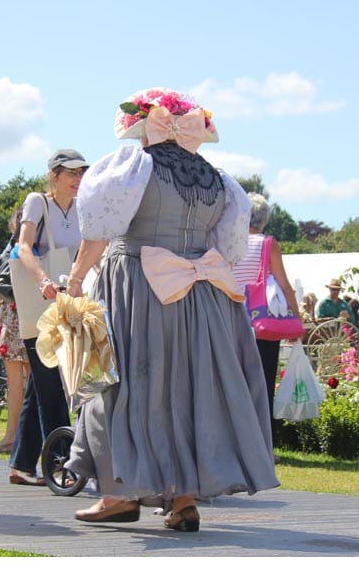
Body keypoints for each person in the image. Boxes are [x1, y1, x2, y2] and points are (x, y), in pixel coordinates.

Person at [64, 87, 278, 531]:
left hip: (136, 283)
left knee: (119, 382)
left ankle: (118, 493)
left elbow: (100, 228)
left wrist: (77, 275)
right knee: (187, 389)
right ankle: (183, 502)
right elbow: (231, 247)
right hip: (200, 294)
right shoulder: (219, 181)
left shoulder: (133, 168)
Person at [7, 150, 86, 486]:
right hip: (42, 303)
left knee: (41, 386)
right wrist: (43, 280)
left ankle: (22, 465)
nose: (77, 178)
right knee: (52, 383)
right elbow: (23, 247)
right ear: (53, 174)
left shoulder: (82, 207)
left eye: (81, 171)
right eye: (70, 172)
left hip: (70, 301)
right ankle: (61, 464)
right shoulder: (37, 201)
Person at [232, 192, 301, 448]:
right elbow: (284, 285)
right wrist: (296, 318)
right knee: (262, 385)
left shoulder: (229, 241)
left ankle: (233, 444)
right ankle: (261, 446)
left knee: (234, 384)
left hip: (231, 320)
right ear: (264, 219)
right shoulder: (267, 244)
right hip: (260, 324)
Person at [0, 206, 30, 454]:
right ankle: (30, 437)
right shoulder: (42, 245)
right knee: (35, 382)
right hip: (37, 311)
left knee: (15, 383)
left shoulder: (15, 247)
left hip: (15, 313)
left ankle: (12, 436)